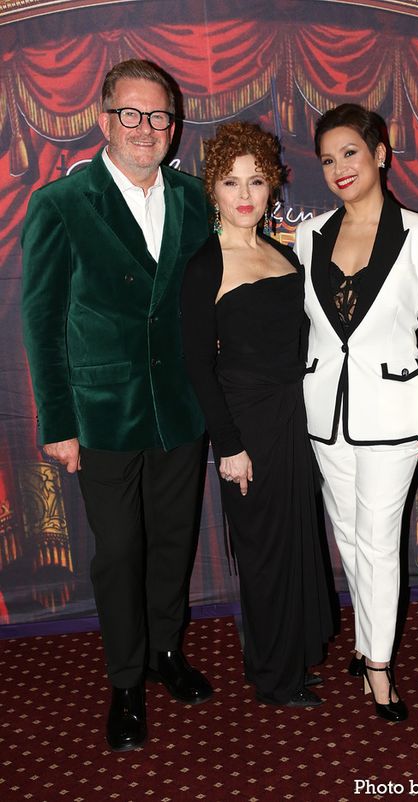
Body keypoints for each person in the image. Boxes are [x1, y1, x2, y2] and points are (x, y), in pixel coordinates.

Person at [21, 59, 213, 753]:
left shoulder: (197, 198)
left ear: (174, 125)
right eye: (130, 114)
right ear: (105, 121)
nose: (145, 128)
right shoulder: (60, 204)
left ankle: (166, 653)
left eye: (158, 116)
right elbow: (41, 323)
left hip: (181, 410)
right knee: (119, 551)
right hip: (101, 414)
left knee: (172, 542)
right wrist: (59, 423)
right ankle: (126, 679)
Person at [294, 104, 418, 722]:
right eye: (328, 159)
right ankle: (367, 639)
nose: (339, 168)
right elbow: (312, 331)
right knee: (350, 535)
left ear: (380, 153)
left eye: (350, 153)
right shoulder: (309, 235)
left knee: (380, 542)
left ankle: (378, 664)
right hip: (324, 414)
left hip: (394, 417)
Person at [181, 121, 333, 707]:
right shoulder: (204, 265)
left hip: (293, 418)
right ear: (212, 191)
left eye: (256, 181)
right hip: (247, 424)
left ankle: (290, 657)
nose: (244, 194)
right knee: (265, 550)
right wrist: (230, 447)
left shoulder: (278, 250)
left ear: (273, 187)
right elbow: (197, 365)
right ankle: (274, 677)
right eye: (230, 182)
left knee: (296, 539)